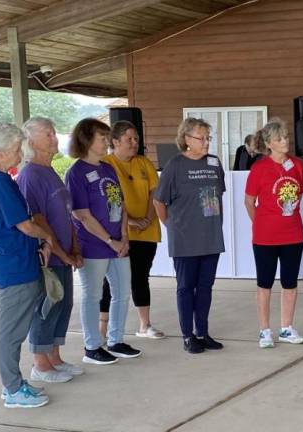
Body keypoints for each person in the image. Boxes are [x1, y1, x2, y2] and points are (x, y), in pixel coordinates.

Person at [0, 122, 53, 408]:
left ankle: (15, 384)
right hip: (13, 264)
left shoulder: (1, 178)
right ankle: (12, 389)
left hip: (18, 260)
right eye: (14, 149)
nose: (19, 154)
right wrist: (46, 235)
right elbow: (24, 225)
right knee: (11, 332)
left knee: (17, 327)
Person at [65, 118, 142, 365]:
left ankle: (116, 340)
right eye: (102, 138)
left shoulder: (108, 168)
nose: (106, 142)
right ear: (86, 140)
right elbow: (82, 215)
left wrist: (124, 237)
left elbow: (119, 205)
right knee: (93, 295)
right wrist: (110, 240)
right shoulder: (76, 172)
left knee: (122, 292)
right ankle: (92, 346)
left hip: (119, 243)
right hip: (94, 245)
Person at [17, 117, 84, 385]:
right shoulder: (30, 174)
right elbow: (40, 221)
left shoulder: (50, 171)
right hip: (48, 256)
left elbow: (66, 216)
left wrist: (74, 248)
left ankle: (55, 357)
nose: (55, 138)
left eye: (54, 133)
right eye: (48, 134)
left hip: (63, 254)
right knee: (46, 307)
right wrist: (64, 254)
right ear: (31, 141)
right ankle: (40, 364)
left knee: (63, 304)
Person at [154, 117, 226, 354]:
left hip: (211, 236)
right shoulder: (174, 165)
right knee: (186, 287)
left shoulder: (214, 163)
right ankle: (188, 335)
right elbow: (159, 201)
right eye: (201, 138)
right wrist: (171, 226)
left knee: (205, 286)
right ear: (186, 139)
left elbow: (218, 196)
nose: (206, 142)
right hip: (184, 238)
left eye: (208, 138)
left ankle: (202, 333)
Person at [98, 121, 165, 340]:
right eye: (129, 139)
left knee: (140, 277)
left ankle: (144, 325)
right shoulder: (106, 164)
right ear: (115, 142)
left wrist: (147, 217)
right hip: (118, 233)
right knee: (110, 280)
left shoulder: (144, 163)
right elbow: (109, 198)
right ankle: (103, 329)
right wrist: (130, 222)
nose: (134, 143)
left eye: (136, 139)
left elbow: (155, 192)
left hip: (146, 232)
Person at [245, 118, 303, 348]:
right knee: (265, 283)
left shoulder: (297, 165)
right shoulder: (259, 168)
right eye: (280, 139)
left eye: (286, 137)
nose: (285, 141)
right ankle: (264, 330)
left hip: (293, 234)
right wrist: (259, 223)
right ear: (269, 143)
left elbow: (299, 193)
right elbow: (249, 201)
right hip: (265, 237)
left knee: (290, 283)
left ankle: (286, 328)